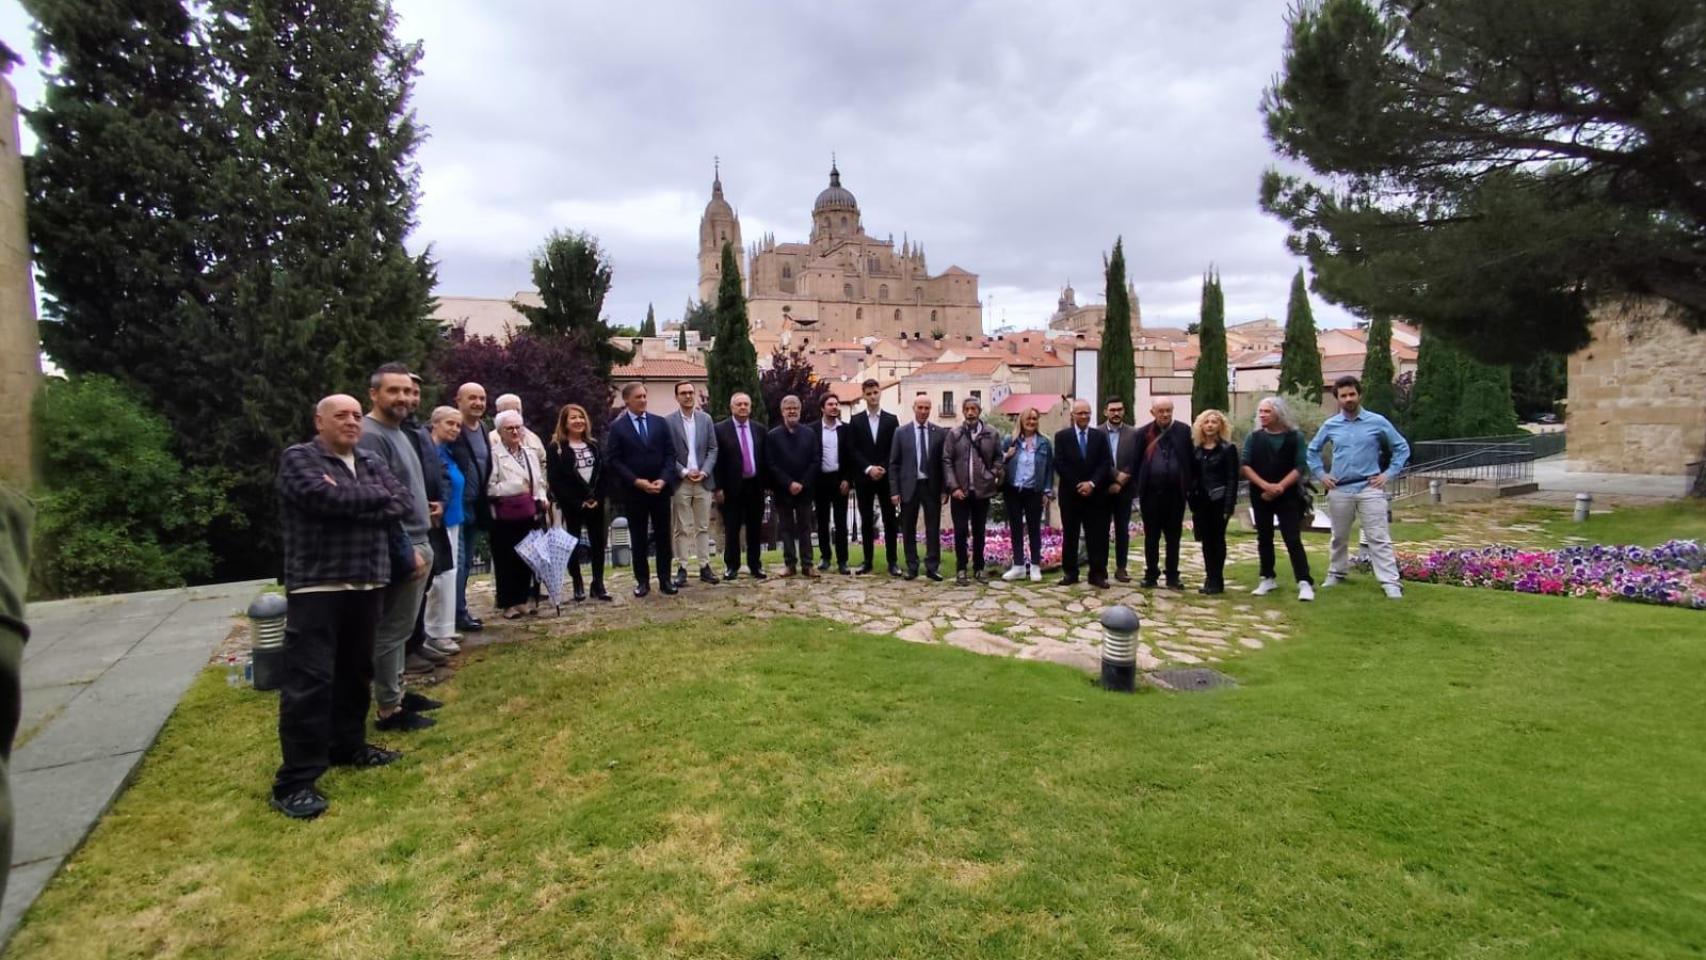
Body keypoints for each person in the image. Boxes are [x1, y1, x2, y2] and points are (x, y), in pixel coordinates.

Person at [272, 394, 416, 819]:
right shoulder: (299, 458)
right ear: (320, 421)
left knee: (357, 671)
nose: (352, 422)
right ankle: (295, 781)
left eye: (356, 416)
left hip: (368, 580)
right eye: (342, 416)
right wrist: (371, 501)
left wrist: (354, 497)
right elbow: (322, 500)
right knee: (310, 680)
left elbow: (402, 502)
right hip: (319, 584)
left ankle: (348, 746)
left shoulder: (370, 459)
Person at [357, 363, 438, 732]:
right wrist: (407, 549)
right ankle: (389, 708)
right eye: (394, 391)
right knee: (393, 628)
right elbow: (378, 500)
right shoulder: (371, 436)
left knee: (403, 627)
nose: (403, 398)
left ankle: (398, 692)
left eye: (407, 391)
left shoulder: (398, 431)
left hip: (419, 536)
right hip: (403, 544)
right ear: (374, 394)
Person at [1308, 375, 1412, 598]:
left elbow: (1402, 448)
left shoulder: (1377, 421)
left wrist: (1389, 474)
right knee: (1339, 536)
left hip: (1369, 488)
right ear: (1337, 399)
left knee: (1378, 536)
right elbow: (1312, 451)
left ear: (1359, 394)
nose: (1348, 399)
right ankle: (1336, 572)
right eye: (1343, 396)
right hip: (1340, 489)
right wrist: (1321, 475)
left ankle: (1390, 582)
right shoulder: (1331, 425)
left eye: (1352, 394)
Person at [604, 382, 679, 597]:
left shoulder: (659, 423)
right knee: (638, 537)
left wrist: (664, 480)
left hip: (660, 490)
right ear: (627, 400)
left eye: (645, 396)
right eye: (638, 397)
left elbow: (670, 455)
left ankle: (665, 579)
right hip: (635, 492)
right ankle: (642, 581)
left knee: (663, 536)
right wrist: (636, 481)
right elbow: (614, 460)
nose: (643, 400)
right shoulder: (618, 428)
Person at [400, 374, 452, 671]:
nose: (411, 398)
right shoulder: (391, 432)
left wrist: (441, 500)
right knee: (411, 582)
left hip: (432, 516)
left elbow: (438, 469)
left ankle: (418, 641)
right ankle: (407, 649)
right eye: (405, 392)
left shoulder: (416, 430)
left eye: (415, 392)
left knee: (426, 580)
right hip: (410, 519)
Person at [1243, 396, 1315, 601]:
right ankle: (1267, 577)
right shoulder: (1254, 437)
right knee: (1264, 537)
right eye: (1261, 411)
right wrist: (1265, 486)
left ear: (1279, 413)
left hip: (1288, 495)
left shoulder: (1295, 437)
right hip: (1261, 495)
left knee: (1292, 537)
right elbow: (1245, 465)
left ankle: (1304, 581)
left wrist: (1279, 487)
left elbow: (1300, 466)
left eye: (1267, 411)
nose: (1263, 415)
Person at [486, 409, 550, 617]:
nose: (514, 432)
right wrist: (515, 487)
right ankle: (508, 603)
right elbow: (490, 487)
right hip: (506, 515)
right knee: (507, 559)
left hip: (529, 512)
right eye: (509, 428)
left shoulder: (529, 453)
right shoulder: (494, 455)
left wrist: (542, 497)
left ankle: (522, 599)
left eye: (517, 428)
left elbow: (538, 481)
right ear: (500, 431)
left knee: (528, 556)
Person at [546, 403, 611, 603]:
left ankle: (598, 583)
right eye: (573, 418)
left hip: (596, 503)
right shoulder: (556, 448)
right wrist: (577, 502)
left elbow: (603, 474)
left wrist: (598, 498)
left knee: (598, 543)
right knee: (573, 544)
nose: (578, 421)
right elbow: (555, 480)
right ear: (565, 422)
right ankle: (578, 583)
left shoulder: (593, 445)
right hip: (572, 505)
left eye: (581, 417)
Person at [444, 382, 491, 635]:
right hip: (456, 505)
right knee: (457, 562)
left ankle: (459, 610)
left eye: (482, 398)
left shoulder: (482, 428)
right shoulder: (453, 427)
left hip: (476, 505)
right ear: (458, 400)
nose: (478, 403)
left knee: (466, 562)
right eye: (472, 398)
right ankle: (454, 615)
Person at [1135, 398, 1196, 589]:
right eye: (1161, 411)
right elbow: (1136, 462)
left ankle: (1172, 575)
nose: (1165, 414)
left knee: (1173, 537)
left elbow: (1190, 460)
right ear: (1153, 412)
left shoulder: (1184, 431)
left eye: (1169, 410)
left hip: (1175, 495)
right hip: (1151, 494)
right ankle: (1151, 574)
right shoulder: (1143, 433)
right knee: (1151, 537)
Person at [942, 395, 1002, 584]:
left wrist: (991, 474)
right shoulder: (954, 434)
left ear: (979, 410)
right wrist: (953, 487)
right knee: (960, 531)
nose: (970, 413)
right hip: (960, 492)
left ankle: (979, 567)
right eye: (967, 409)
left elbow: (998, 458)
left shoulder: (991, 433)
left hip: (982, 491)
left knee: (979, 531)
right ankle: (961, 568)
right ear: (962, 411)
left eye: (973, 409)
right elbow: (947, 461)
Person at [665, 381, 720, 586]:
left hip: (703, 481)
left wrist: (705, 471)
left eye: (691, 392)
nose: (688, 396)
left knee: (703, 526)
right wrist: (685, 471)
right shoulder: (668, 422)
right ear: (677, 397)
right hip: (682, 481)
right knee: (681, 527)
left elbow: (713, 449)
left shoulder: (705, 419)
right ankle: (682, 567)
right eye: (683, 393)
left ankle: (705, 566)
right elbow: (668, 453)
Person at [888, 393, 947, 581]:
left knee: (932, 528)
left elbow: (944, 464)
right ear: (914, 408)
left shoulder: (939, 433)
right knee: (908, 528)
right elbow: (894, 464)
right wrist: (894, 491)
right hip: (908, 486)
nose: (923, 411)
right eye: (920, 407)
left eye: (927, 408)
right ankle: (912, 566)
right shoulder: (901, 432)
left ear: (930, 409)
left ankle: (932, 566)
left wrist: (945, 489)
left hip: (931, 486)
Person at [1054, 398, 1113, 587]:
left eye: (1087, 413)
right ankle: (1070, 572)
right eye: (1080, 413)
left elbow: (1106, 462)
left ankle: (1097, 573)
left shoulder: (1100, 436)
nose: (1084, 416)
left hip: (1096, 496)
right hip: (1071, 495)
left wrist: (1092, 483)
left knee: (1097, 536)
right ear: (1073, 415)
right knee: (1070, 535)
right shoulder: (1062, 436)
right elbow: (1060, 464)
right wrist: (1078, 484)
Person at [422, 406, 466, 650]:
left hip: (454, 517)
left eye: (458, 425)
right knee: (439, 577)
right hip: (439, 521)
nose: (455, 429)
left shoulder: (448, 451)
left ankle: (445, 626)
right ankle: (434, 632)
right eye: (450, 423)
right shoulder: (429, 452)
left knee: (449, 575)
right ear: (434, 423)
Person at [846, 378, 901, 576]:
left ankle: (892, 562)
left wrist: (883, 468)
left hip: (886, 478)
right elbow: (853, 450)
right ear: (863, 395)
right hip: (864, 478)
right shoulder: (856, 420)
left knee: (890, 521)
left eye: (875, 392)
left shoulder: (891, 420)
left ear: (880, 393)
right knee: (867, 520)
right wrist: (869, 468)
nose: (872, 397)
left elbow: (895, 449)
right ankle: (867, 561)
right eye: (868, 394)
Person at [712, 392, 768, 581]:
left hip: (755, 486)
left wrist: (767, 485)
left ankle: (755, 565)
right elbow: (716, 461)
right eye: (739, 404)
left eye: (746, 404)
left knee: (754, 529)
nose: (743, 407)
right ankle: (732, 566)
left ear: (750, 407)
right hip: (731, 488)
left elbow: (764, 459)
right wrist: (717, 488)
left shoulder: (759, 429)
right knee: (732, 528)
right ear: (732, 407)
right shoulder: (720, 430)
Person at [767, 395, 821, 577]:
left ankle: (808, 564)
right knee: (786, 528)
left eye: (795, 408)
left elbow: (815, 460)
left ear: (800, 410)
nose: (792, 411)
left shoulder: (810, 434)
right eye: (788, 408)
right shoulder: (773, 436)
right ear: (782, 412)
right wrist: (788, 483)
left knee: (806, 527)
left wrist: (802, 483)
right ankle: (790, 564)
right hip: (783, 490)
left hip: (805, 490)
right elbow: (771, 464)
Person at [1189, 409, 1240, 595]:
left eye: (1214, 422)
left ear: (1220, 426)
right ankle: (1209, 576)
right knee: (1205, 541)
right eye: (1206, 422)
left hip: (1219, 501)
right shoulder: (1196, 450)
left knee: (1217, 540)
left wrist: (1229, 505)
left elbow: (1232, 478)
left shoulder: (1228, 449)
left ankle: (1217, 579)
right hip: (1201, 502)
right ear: (1201, 426)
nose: (1210, 425)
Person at [1001, 407, 1053, 582]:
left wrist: (1047, 490)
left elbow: (1049, 469)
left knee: (1034, 528)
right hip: (1013, 489)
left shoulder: (1044, 442)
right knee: (1015, 528)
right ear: (1021, 421)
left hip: (1034, 491)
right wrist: (1006, 456)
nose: (1031, 422)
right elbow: (998, 461)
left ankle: (1035, 566)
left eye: (1034, 419)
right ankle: (1018, 566)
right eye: (1028, 419)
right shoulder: (1011, 440)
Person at [1100, 399, 1141, 582]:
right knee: (1100, 530)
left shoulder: (1134, 433)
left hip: (1125, 489)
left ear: (1124, 411)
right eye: (1112, 410)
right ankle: (1100, 567)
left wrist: (1122, 480)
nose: (1116, 413)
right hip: (1103, 489)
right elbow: (1096, 459)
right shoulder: (1097, 433)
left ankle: (1121, 568)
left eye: (1119, 409)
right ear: (1105, 412)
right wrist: (1114, 476)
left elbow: (1137, 459)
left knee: (1122, 530)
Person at [813, 394, 852, 574]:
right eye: (830, 404)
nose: (834, 407)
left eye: (836, 404)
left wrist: (847, 479)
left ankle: (843, 560)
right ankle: (825, 557)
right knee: (822, 521)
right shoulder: (813, 430)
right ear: (822, 408)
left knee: (841, 521)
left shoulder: (846, 430)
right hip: (820, 480)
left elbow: (850, 456)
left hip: (840, 479)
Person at [491, 393, 547, 476]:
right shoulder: (492, 439)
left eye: (518, 410)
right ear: (500, 412)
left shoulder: (533, 438)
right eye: (513, 410)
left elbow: (543, 464)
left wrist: (541, 486)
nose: (517, 413)